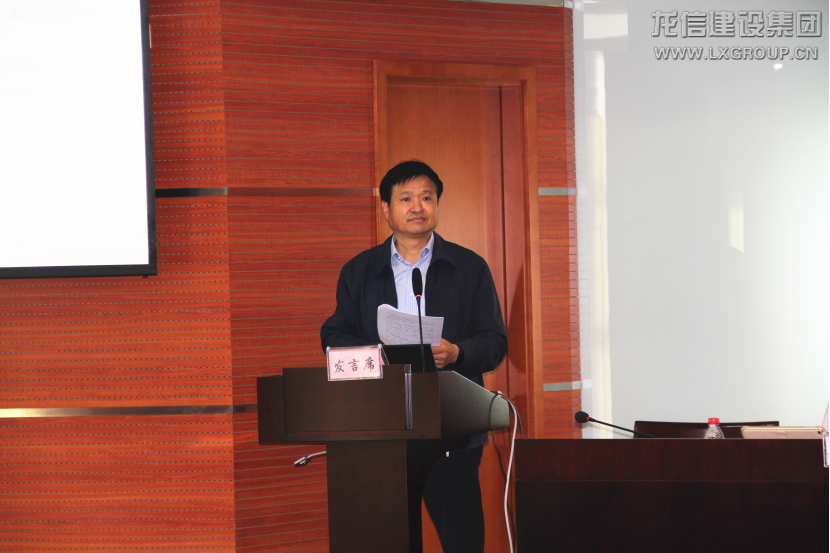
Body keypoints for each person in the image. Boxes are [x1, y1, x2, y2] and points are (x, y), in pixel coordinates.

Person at [320, 160, 508, 553]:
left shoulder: (469, 268)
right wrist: (376, 356)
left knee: (463, 542)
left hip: (452, 430)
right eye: (406, 198)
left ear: (437, 205)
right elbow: (335, 335)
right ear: (386, 208)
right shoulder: (358, 271)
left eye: (427, 197)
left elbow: (494, 342)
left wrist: (457, 352)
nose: (417, 207)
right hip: (381, 432)